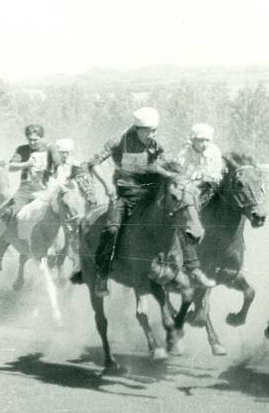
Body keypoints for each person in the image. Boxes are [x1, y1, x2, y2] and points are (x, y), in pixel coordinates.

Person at [86, 107, 215, 297]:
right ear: (137, 128)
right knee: (111, 229)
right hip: (124, 194)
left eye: (154, 130)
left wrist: (178, 176)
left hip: (149, 194)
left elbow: (161, 166)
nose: (152, 135)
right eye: (148, 130)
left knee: (178, 217)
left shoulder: (155, 145)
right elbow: (93, 163)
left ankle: (193, 268)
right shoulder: (119, 141)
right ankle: (102, 275)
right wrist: (107, 185)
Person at [0, 124, 50, 255]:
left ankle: (73, 244)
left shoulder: (50, 149)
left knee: (65, 208)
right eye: (30, 139)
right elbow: (11, 166)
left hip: (45, 188)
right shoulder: (22, 150)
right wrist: (26, 164)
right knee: (6, 211)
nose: (32, 142)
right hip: (26, 189)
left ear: (41, 137)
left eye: (36, 139)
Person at [175, 123, 224, 205]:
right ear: (193, 140)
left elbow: (217, 171)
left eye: (207, 140)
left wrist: (207, 177)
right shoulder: (186, 152)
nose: (204, 144)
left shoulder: (214, 152)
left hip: (210, 188)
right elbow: (179, 172)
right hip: (190, 187)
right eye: (201, 140)